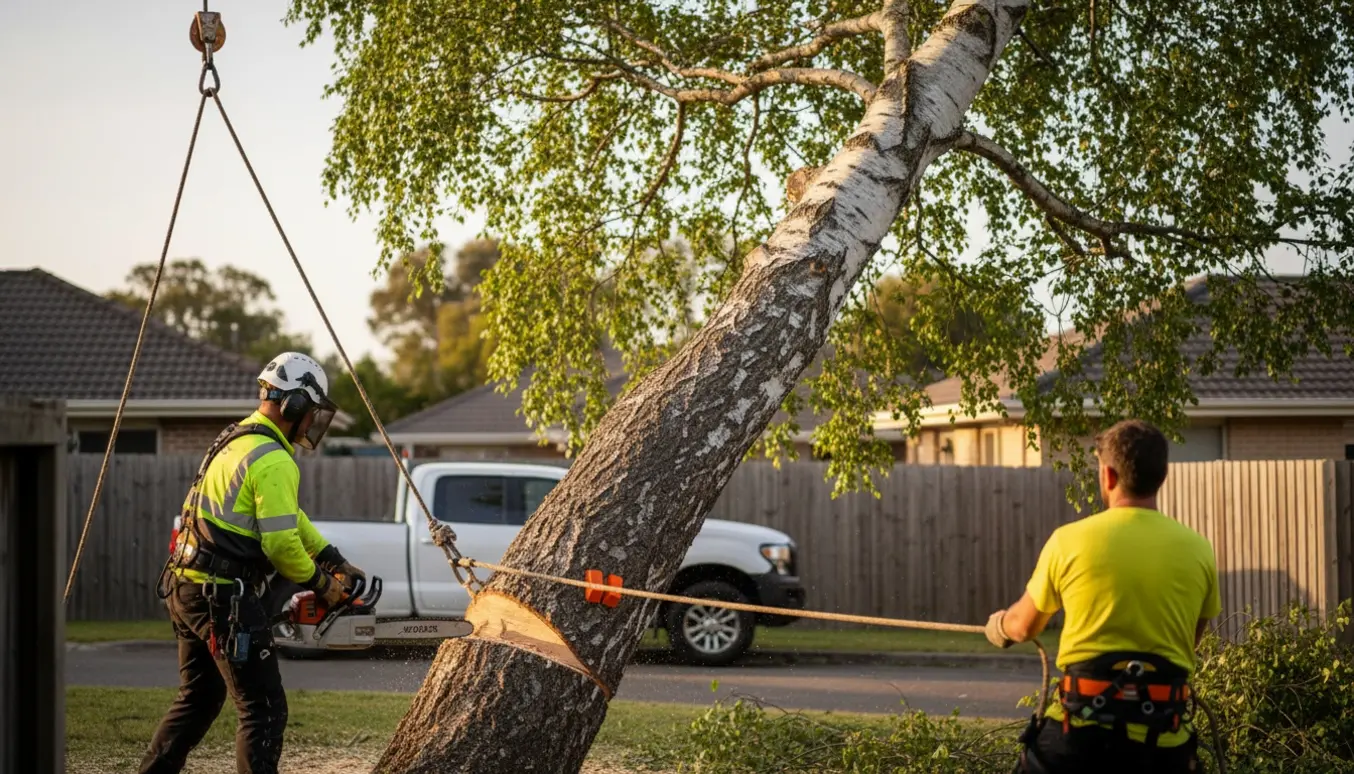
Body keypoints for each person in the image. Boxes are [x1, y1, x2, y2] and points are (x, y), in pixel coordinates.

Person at [140, 352, 367, 774]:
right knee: (263, 710)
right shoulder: (274, 459)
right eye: (310, 411)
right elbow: (281, 547)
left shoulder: (235, 440)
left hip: (186, 589)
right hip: (223, 599)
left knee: (199, 698)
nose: (311, 423)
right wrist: (325, 585)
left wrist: (331, 557)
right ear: (294, 405)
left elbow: (290, 519)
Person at [985, 419, 1222, 774]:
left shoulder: (1069, 541)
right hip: (1164, 747)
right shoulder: (1199, 549)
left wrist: (998, 626)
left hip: (1078, 739)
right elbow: (1188, 643)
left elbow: (1023, 627)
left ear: (1108, 476)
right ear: (1162, 476)